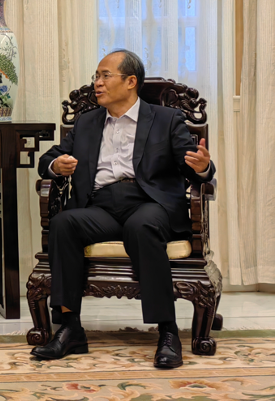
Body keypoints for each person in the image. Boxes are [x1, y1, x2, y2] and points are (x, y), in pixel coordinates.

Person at [32, 49, 214, 369]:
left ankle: (167, 331)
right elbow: (49, 159)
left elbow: (194, 166)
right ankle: (70, 329)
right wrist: (55, 166)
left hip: (149, 203)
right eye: (96, 77)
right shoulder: (87, 123)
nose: (97, 83)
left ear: (130, 82)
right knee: (63, 223)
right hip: (100, 206)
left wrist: (202, 168)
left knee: (141, 226)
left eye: (105, 76)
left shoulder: (165, 119)